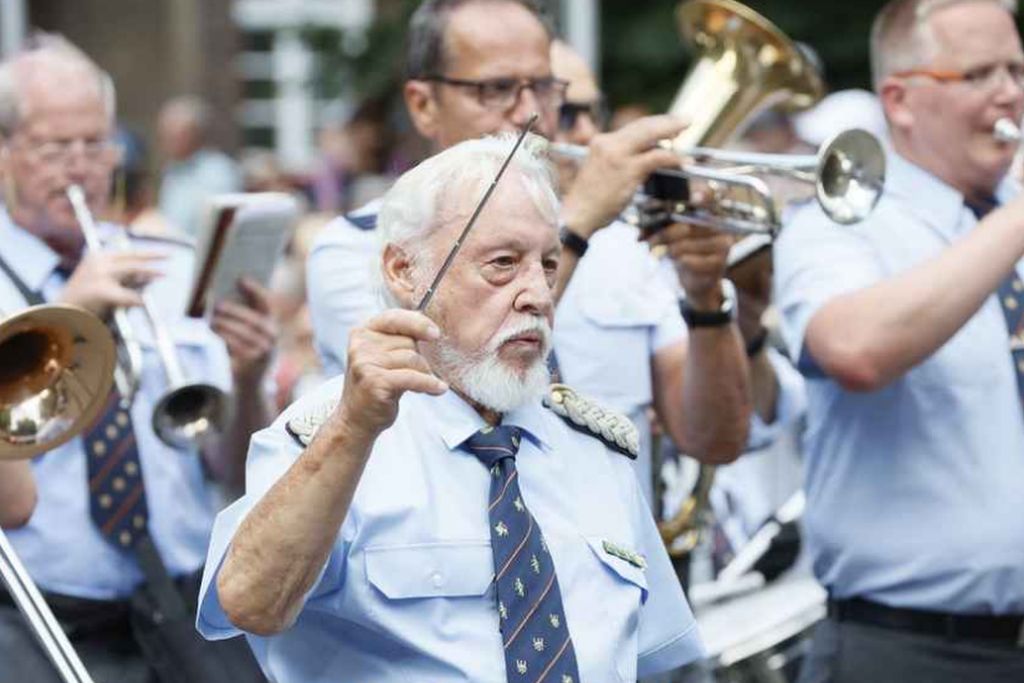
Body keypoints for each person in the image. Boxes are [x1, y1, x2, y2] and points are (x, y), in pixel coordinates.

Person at [198, 133, 705, 682]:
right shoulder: (337, 437)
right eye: (503, 264)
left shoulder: (596, 450)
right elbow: (249, 603)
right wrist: (352, 428)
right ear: (403, 271)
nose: (537, 293)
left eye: (549, 264)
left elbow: (654, 659)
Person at [306, 0, 753, 508]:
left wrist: (706, 298)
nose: (528, 113)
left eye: (542, 87)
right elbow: (433, 388)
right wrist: (577, 224)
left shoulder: (621, 241)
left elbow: (716, 440)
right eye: (496, 89)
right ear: (423, 104)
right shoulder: (358, 247)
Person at [0, 35, 274, 682]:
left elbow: (233, 467)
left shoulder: (171, 264)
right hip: (40, 614)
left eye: (96, 143)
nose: (81, 167)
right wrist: (67, 319)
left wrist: (250, 375)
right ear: (5, 151)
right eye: (54, 147)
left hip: (186, 603)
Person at [774, 0, 1024, 680]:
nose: (1010, 92)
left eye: (1016, 69)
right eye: (978, 74)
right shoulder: (842, 225)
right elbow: (855, 349)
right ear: (901, 100)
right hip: (908, 648)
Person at [157, 95, 242, 238]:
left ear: (195, 133)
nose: (168, 141)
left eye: (176, 134)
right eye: (165, 133)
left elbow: (221, 229)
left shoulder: (219, 172)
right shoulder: (172, 170)